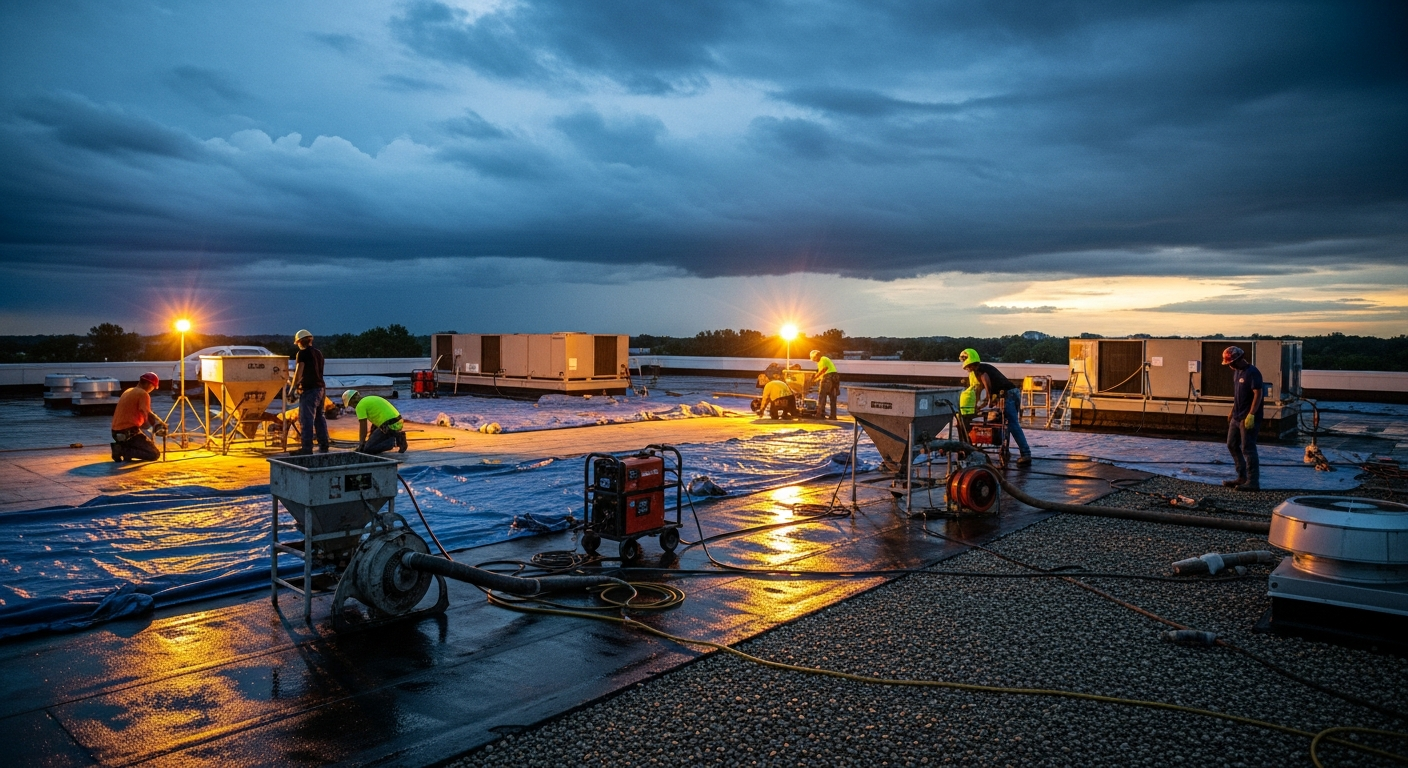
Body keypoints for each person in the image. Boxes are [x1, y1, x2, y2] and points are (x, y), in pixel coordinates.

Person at [959, 348, 1031, 465]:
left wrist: (988, 400)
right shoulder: (982, 368)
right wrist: (979, 404)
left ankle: (1026, 454)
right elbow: (979, 390)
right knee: (1005, 422)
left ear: (971, 364)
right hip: (1011, 393)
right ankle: (1007, 450)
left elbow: (986, 384)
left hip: (1008, 395)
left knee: (1012, 424)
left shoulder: (980, 370)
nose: (968, 369)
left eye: (968, 367)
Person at [1222, 345, 1264, 492]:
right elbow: (1237, 394)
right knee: (1232, 444)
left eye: (1231, 363)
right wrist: (1232, 411)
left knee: (1248, 448)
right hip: (1237, 415)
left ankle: (1253, 481)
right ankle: (1242, 476)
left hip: (1248, 416)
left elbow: (1258, 394)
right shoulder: (1237, 373)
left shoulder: (1252, 373)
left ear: (1238, 359)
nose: (1230, 366)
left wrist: (1251, 414)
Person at [110, 372, 167, 461]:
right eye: (153, 387)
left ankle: (122, 447)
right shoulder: (143, 394)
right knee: (154, 454)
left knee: (141, 442)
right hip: (129, 433)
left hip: (115, 433)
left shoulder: (128, 391)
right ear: (149, 384)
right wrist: (159, 425)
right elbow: (147, 414)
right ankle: (122, 450)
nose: (152, 390)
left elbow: (141, 418)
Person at [289, 329, 329, 455]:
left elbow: (298, 372)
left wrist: (292, 389)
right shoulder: (318, 353)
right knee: (319, 417)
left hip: (309, 390)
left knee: (306, 419)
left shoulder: (302, 353)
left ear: (300, 341)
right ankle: (324, 444)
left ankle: (306, 448)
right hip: (321, 388)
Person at [344, 389, 407, 454]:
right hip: (398, 421)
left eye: (350, 405)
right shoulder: (368, 399)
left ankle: (395, 441)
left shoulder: (360, 406)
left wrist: (361, 444)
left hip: (389, 426)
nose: (352, 407)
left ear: (352, 401)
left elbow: (363, 428)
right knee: (372, 437)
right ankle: (395, 435)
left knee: (368, 449)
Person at [809, 349, 840, 419]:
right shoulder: (826, 359)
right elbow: (823, 372)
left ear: (816, 356)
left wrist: (815, 377)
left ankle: (820, 414)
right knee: (833, 398)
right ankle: (833, 416)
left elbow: (824, 369)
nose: (814, 360)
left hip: (828, 378)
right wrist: (816, 379)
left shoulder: (822, 359)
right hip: (835, 378)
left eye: (814, 358)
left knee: (822, 396)